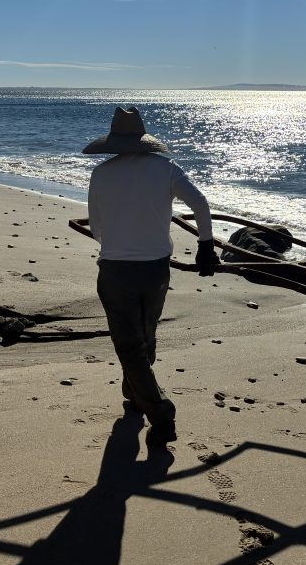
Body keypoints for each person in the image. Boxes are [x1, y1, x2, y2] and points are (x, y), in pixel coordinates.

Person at [84, 106, 219, 445]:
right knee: (145, 335)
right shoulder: (165, 168)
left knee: (129, 345)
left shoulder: (101, 174)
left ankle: (161, 414)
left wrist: (121, 239)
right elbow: (201, 204)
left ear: (114, 141)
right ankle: (135, 392)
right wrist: (206, 246)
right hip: (156, 270)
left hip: (116, 270)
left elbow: (97, 229)